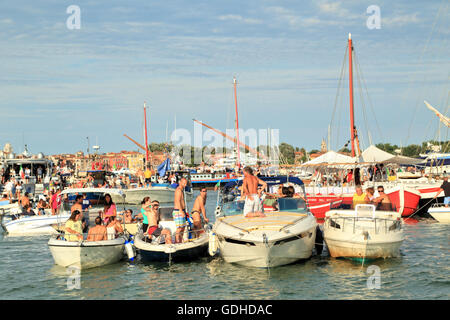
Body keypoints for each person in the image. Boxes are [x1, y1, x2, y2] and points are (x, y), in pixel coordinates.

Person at [173, 177, 188, 243]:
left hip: (181, 210)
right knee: (179, 228)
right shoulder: (178, 190)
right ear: (180, 182)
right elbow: (178, 201)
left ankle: (180, 241)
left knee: (183, 227)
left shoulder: (181, 190)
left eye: (186, 183)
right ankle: (177, 241)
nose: (185, 185)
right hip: (178, 211)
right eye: (184, 183)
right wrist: (181, 211)